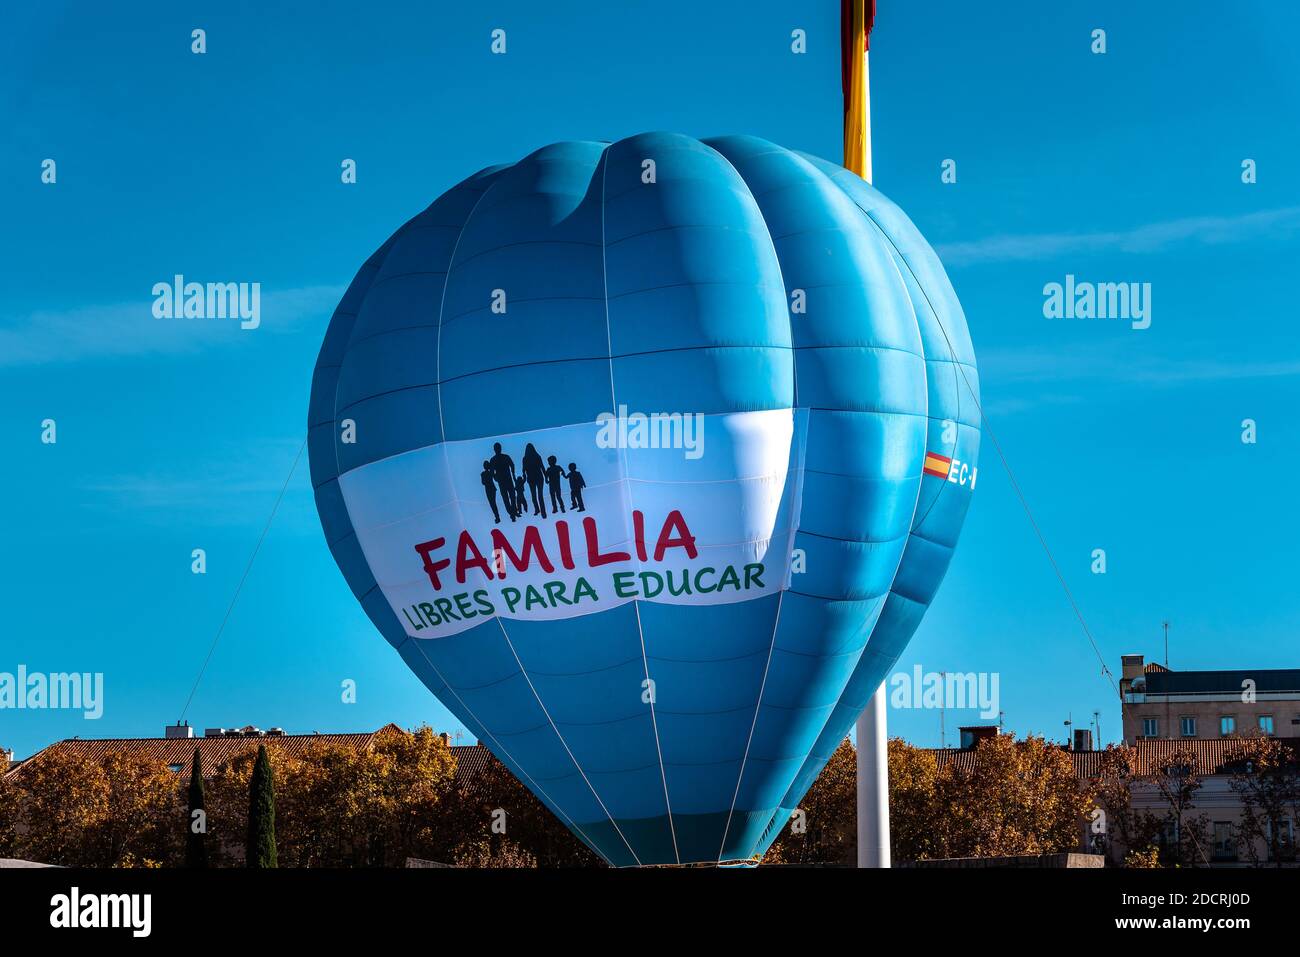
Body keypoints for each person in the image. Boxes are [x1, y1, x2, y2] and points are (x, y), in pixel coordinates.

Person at [489, 442, 518, 521]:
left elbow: (512, 465)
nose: (498, 449)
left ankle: (513, 512)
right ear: (495, 449)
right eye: (497, 448)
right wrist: (495, 477)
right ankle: (512, 513)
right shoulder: (494, 459)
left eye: (498, 448)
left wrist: (513, 474)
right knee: (507, 498)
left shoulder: (504, 457)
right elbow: (491, 472)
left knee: (511, 496)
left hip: (507, 480)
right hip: (502, 481)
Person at [522, 443, 547, 519]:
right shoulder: (537, 456)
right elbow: (542, 467)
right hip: (538, 477)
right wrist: (546, 477)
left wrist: (524, 477)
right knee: (540, 496)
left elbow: (524, 470)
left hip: (532, 478)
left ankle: (537, 510)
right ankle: (543, 512)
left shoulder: (525, 458)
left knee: (534, 495)